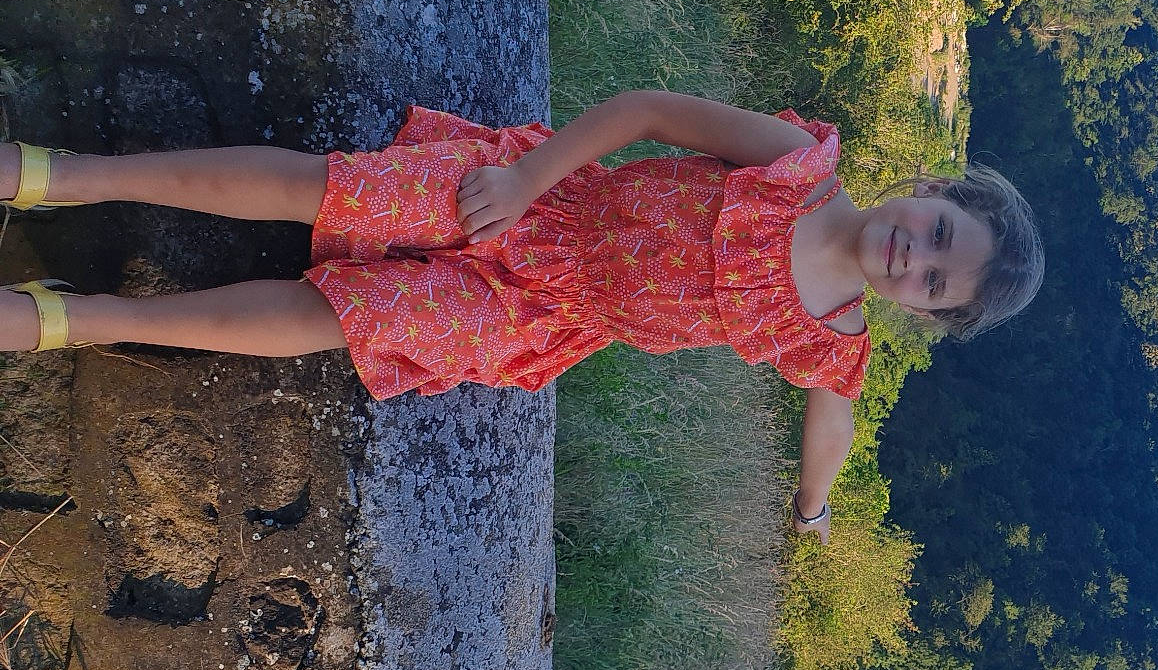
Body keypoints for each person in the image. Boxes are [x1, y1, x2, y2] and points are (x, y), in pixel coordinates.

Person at [0, 91, 1043, 540]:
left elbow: (833, 418)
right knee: (325, 189)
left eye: (935, 283)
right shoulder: (795, 167)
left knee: (341, 321)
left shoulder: (830, 340)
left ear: (921, 311)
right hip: (536, 195)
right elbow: (641, 112)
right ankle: (64, 175)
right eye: (939, 230)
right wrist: (531, 175)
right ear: (930, 190)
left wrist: (811, 510)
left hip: (536, 316)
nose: (918, 256)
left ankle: (74, 318)